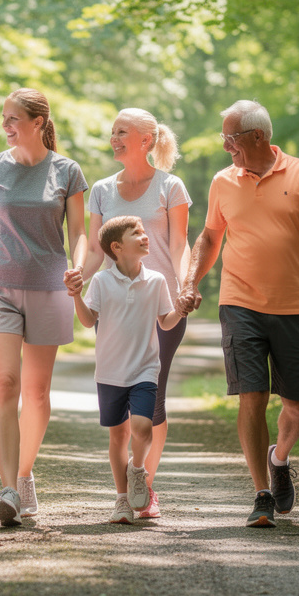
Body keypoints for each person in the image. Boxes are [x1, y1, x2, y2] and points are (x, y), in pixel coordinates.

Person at [176, 100, 299, 529]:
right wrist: (191, 281)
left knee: (298, 405)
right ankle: (261, 494)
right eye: (224, 137)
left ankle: (280, 459)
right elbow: (211, 236)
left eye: (231, 137)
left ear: (259, 137)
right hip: (239, 302)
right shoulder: (222, 181)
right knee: (251, 396)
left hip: (292, 304)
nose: (226, 146)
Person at [0, 88, 88, 526]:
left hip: (50, 287)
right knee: (6, 384)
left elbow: (79, 233)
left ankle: (26, 473)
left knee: (37, 392)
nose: (6, 126)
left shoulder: (67, 171)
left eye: (14, 118)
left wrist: (80, 267)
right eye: (4, 119)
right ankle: (9, 488)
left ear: (38, 121)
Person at [78, 108, 190, 518]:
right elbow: (95, 251)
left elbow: (180, 245)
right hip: (116, 303)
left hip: (161, 300)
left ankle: (145, 484)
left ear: (147, 139)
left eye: (122, 132)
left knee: (152, 399)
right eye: (112, 132)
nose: (114, 138)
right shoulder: (102, 190)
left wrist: (185, 285)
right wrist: (76, 281)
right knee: (123, 400)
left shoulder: (170, 186)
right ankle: (127, 490)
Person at [67, 216, 181, 524]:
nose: (146, 238)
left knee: (142, 428)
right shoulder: (102, 281)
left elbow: (166, 321)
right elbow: (89, 320)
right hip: (110, 372)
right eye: (138, 234)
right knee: (118, 436)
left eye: (144, 232)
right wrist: (76, 294)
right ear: (117, 247)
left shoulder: (156, 280)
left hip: (145, 369)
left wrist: (180, 309)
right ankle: (121, 500)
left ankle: (137, 469)